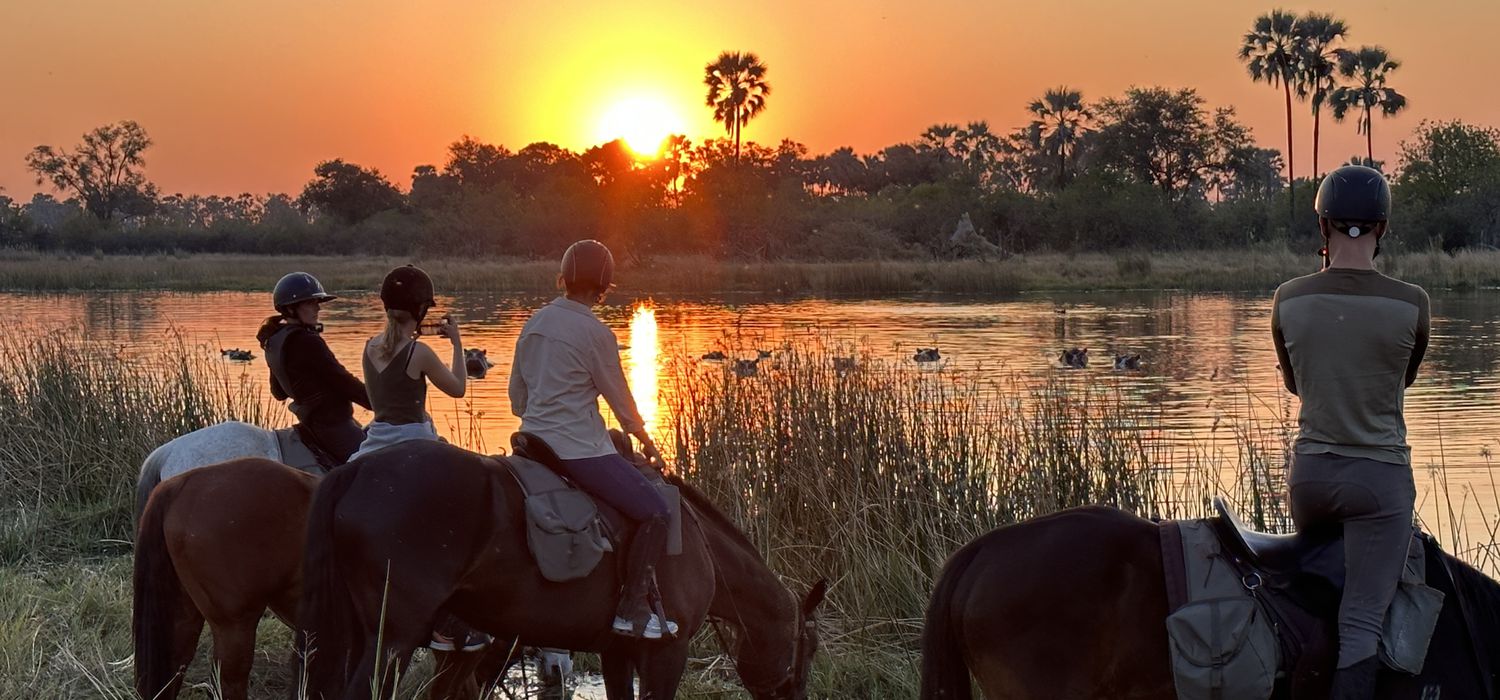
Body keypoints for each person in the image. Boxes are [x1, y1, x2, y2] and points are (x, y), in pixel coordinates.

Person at [1271, 165, 1430, 699]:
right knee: (1361, 623)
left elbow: (1297, 386)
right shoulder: (1413, 303)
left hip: (1309, 479)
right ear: (1381, 228)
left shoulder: (1287, 298)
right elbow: (1401, 381)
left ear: (1324, 227)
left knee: (1307, 599)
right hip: (1379, 484)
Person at [509, 239, 676, 639]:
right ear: (603, 285)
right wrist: (649, 444)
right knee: (656, 512)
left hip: (530, 441)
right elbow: (621, 403)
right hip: (576, 450)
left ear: (564, 278)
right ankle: (632, 609)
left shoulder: (533, 323)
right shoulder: (596, 332)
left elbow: (517, 399)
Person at [349, 265, 466, 461]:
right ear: (421, 309)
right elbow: (458, 389)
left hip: (376, 440)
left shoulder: (370, 346)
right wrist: (457, 342)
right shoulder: (418, 352)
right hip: (416, 441)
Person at [257, 272, 371, 465]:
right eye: (310, 303)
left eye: (317, 302)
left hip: (310, 424)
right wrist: (379, 403)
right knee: (372, 465)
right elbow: (342, 380)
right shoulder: (306, 341)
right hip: (332, 424)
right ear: (292, 308)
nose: (317, 308)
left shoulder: (275, 339)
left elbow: (278, 393)